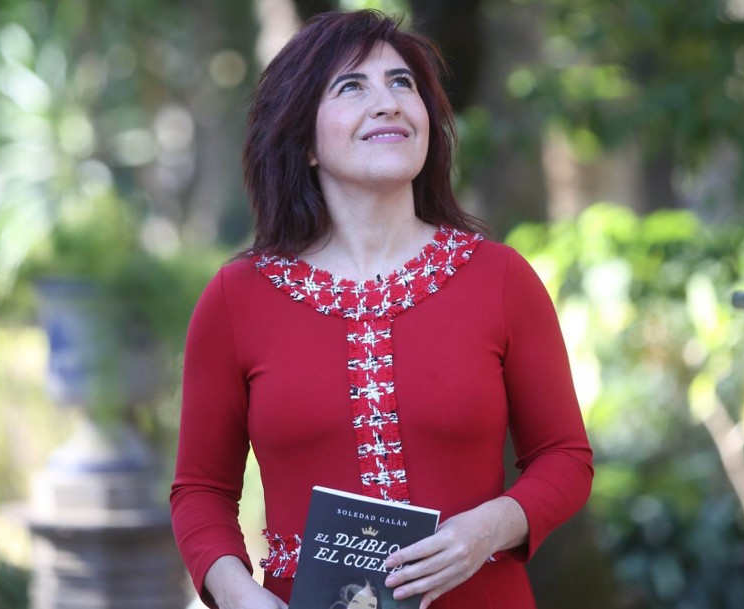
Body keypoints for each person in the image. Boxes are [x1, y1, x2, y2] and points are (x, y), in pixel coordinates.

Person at [170, 9, 593, 609]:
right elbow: (200, 491)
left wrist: (488, 528)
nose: (388, 103)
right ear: (304, 141)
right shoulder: (237, 299)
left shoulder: (500, 278)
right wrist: (240, 595)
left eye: (402, 83)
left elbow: (565, 458)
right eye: (352, 86)